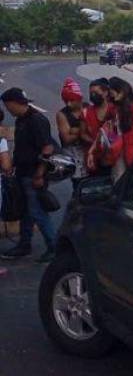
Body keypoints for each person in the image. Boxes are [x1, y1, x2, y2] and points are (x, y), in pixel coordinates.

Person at [0, 88, 58, 261]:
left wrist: (40, 174)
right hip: (23, 172)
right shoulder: (21, 121)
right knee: (26, 211)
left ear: (14, 103)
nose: (7, 109)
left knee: (38, 211)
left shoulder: (36, 120)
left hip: (34, 173)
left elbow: (47, 148)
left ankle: (54, 246)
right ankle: (24, 244)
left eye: (7, 105)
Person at [55, 79, 88, 193]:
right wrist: (83, 130)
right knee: (78, 185)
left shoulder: (88, 108)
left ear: (79, 98)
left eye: (71, 100)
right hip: (73, 154)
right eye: (66, 101)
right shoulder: (62, 114)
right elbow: (67, 139)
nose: (68, 104)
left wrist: (75, 130)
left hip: (88, 151)